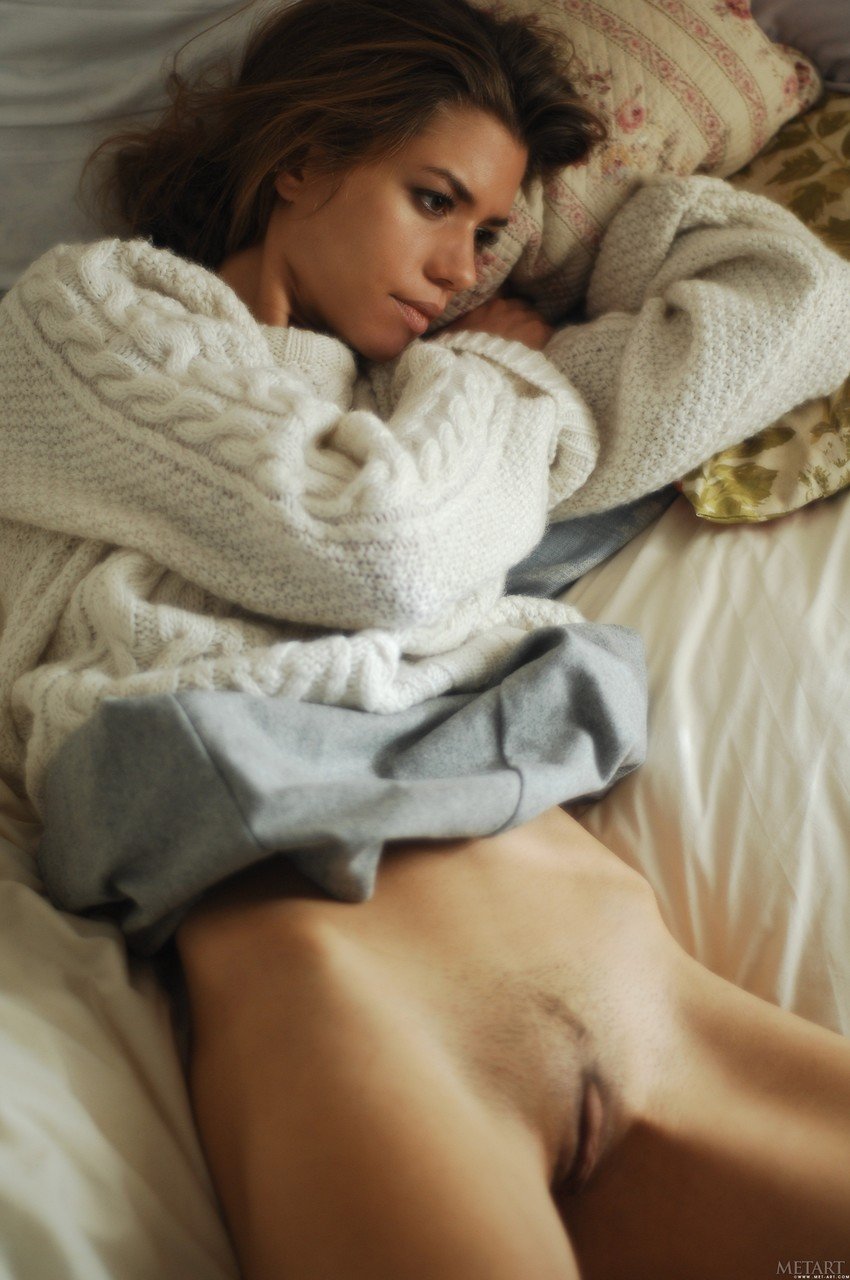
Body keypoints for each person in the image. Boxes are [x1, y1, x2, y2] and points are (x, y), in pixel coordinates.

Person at [2, 0, 850, 1276]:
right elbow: (374, 547)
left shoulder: (447, 414)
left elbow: (803, 303)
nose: (461, 266)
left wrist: (608, 221)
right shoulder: (90, 310)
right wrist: (497, 376)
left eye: (490, 232)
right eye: (433, 199)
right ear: (302, 161)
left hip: (652, 993)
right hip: (357, 1012)